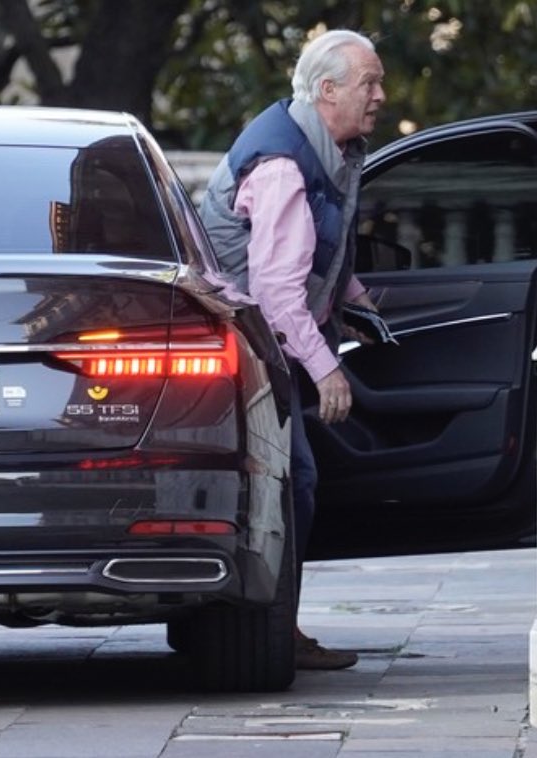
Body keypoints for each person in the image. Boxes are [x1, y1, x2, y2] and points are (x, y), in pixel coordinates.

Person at [199, 29, 385, 670]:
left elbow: (314, 257)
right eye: (370, 82)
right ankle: (276, 630)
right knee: (292, 481)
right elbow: (278, 292)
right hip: (248, 346)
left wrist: (356, 302)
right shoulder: (283, 165)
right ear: (327, 90)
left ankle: (276, 624)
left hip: (265, 340)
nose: (381, 96)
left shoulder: (323, 147)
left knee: (292, 480)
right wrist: (328, 368)